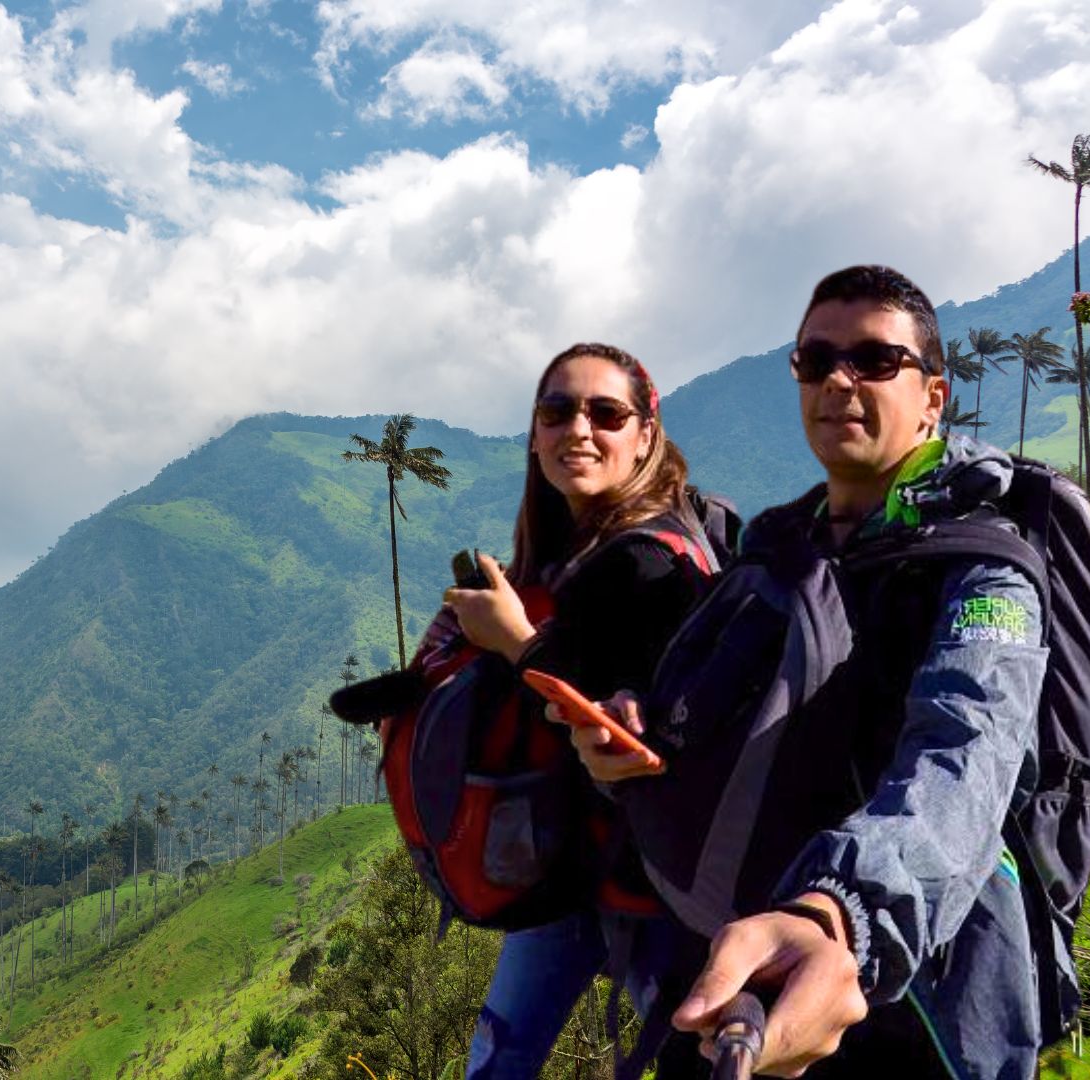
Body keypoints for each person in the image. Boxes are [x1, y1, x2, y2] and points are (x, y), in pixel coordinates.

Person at [567, 265, 1055, 1078]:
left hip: (908, 997)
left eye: (874, 360)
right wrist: (633, 731)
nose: (838, 379)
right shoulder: (779, 545)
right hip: (728, 967)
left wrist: (838, 914)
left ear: (933, 396)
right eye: (815, 359)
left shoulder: (985, 569)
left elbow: (963, 751)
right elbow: (704, 707)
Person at [443, 342, 723, 1079]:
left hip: (650, 882)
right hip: (578, 870)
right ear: (533, 434)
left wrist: (516, 642)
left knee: (692, 1052)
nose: (578, 429)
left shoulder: (650, 563)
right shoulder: (585, 544)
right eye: (557, 410)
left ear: (645, 434)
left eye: (606, 413)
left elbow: (649, 735)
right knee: (500, 1054)